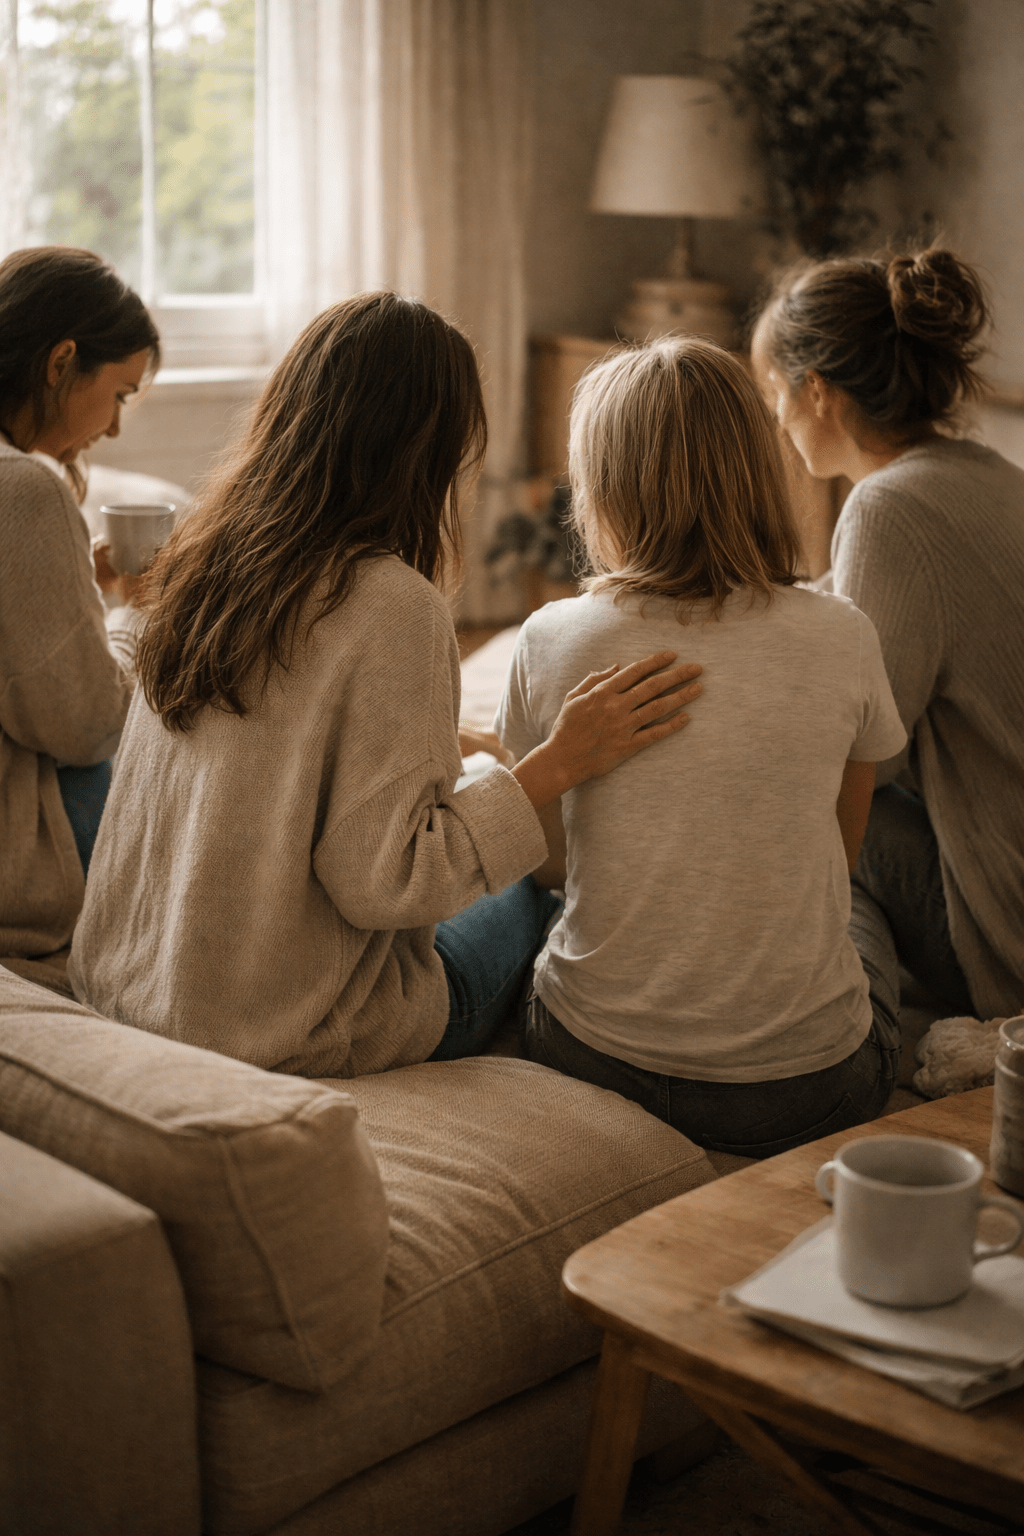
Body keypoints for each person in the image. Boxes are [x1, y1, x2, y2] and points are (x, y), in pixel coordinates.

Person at [70, 292, 703, 1077]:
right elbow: (388, 884)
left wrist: (445, 754)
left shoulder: (201, 556)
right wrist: (557, 763)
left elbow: (278, 748)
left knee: (482, 801)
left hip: (125, 988)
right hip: (271, 1030)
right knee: (531, 882)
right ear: (430, 448)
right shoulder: (390, 603)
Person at [498, 337, 908, 1159]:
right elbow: (840, 849)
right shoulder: (844, 634)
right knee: (857, 907)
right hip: (806, 1091)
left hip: (592, 1058)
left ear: (601, 488)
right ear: (756, 471)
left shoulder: (550, 638)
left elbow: (544, 865)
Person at [752, 248, 1024, 1024]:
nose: (776, 419)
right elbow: (842, 610)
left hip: (1004, 924)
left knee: (791, 787)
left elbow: (868, 752)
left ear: (816, 391)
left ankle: (838, 1019)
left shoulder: (888, 509)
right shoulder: (988, 472)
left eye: (773, 392)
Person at [0, 246, 159, 963]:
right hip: (23, 870)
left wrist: (81, 591)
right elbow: (88, 726)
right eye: (121, 394)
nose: (116, 427)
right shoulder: (24, 489)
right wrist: (136, 612)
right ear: (62, 361)